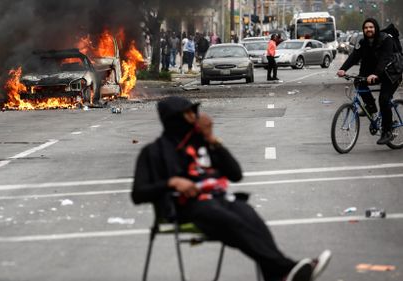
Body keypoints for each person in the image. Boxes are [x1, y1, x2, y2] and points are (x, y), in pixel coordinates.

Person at [131, 96, 332, 281]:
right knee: (231, 222)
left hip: (219, 199)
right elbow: (138, 193)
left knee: (248, 214)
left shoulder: (204, 143)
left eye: (195, 112)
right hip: (185, 207)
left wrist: (212, 140)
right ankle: (286, 269)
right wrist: (172, 182)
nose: (196, 117)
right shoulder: (153, 151)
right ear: (175, 119)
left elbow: (235, 174)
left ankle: (281, 274)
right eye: (189, 113)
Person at [337, 18, 403, 145]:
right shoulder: (364, 42)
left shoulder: (386, 40)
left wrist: (375, 74)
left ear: (376, 28)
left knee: (384, 99)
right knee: (359, 82)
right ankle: (371, 107)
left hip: (392, 73)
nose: (368, 29)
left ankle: (387, 131)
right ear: (364, 30)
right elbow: (354, 56)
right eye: (366, 27)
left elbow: (385, 59)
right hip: (378, 73)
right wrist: (342, 69)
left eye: (371, 27)